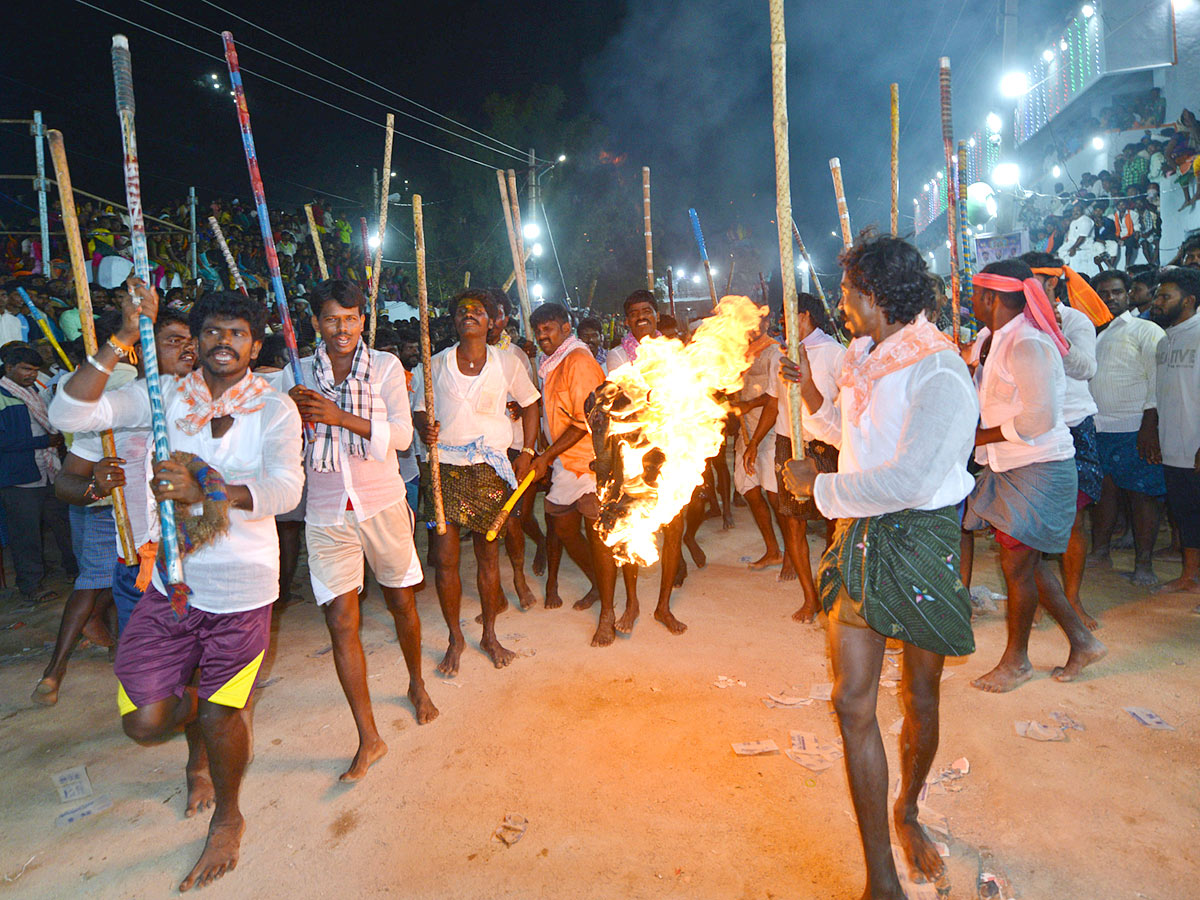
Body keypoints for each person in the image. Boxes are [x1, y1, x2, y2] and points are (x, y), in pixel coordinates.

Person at [49, 281, 303, 892]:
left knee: (222, 716)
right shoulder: (162, 397)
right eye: (210, 332)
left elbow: (285, 490)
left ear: (254, 344)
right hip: (171, 585)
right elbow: (69, 413)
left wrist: (211, 491)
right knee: (142, 720)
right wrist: (120, 335)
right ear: (196, 340)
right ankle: (211, 706)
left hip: (242, 590)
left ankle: (229, 814)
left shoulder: (274, 405)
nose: (222, 342)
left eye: (236, 334)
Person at [778, 232, 978, 899]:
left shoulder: (940, 368)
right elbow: (845, 431)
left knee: (920, 696)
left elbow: (912, 482)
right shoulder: (865, 356)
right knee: (849, 702)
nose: (840, 305)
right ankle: (881, 878)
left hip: (918, 537)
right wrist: (804, 389)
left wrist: (818, 489)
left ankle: (909, 809)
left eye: (845, 293)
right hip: (857, 537)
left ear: (873, 295)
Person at [285, 279, 435, 784]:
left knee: (401, 603)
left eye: (350, 318)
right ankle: (368, 736)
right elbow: (275, 430)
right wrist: (286, 409)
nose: (342, 328)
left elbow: (403, 435)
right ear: (316, 324)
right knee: (341, 623)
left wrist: (340, 417)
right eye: (331, 319)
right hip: (327, 511)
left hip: (382, 502)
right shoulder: (297, 371)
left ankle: (416, 682)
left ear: (362, 321)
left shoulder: (387, 367)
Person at [964, 259, 1106, 693]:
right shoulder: (992, 339)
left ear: (990, 297)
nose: (970, 299)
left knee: (1018, 566)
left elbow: (1040, 418)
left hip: (1040, 468)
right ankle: (1082, 642)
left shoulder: (1028, 343)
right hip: (1008, 467)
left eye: (974, 291)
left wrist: (978, 435)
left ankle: (1017, 662)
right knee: (1027, 564)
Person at [412, 289, 540, 677]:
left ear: (491, 321)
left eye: (478, 311)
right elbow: (419, 408)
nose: (469, 314)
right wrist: (425, 428)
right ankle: (455, 638)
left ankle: (489, 633)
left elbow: (531, 403)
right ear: (454, 320)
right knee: (446, 560)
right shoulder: (432, 365)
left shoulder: (506, 363)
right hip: (444, 469)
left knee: (488, 557)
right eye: (462, 310)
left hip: (489, 469)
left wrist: (528, 452)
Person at [525, 303, 616, 645]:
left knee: (599, 536)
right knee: (562, 526)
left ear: (566, 328)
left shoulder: (579, 362)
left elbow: (584, 421)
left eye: (548, 329)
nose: (542, 336)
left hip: (593, 461)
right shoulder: (551, 363)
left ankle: (607, 613)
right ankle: (597, 581)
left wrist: (545, 456)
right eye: (538, 330)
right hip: (565, 461)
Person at [1022, 251, 1104, 621]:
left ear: (1053, 282)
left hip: (1072, 423)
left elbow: (1087, 369)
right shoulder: (1015, 319)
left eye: (1031, 279)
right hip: (1029, 427)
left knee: (1072, 519)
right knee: (1030, 520)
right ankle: (1037, 596)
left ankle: (1071, 599)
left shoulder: (1076, 320)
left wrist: (1055, 333)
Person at [752, 293, 844, 621]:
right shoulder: (782, 356)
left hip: (825, 447)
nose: (781, 323)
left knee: (837, 524)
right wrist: (753, 443)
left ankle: (835, 589)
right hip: (786, 444)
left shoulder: (835, 354)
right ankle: (810, 597)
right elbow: (774, 403)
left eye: (787, 316)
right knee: (792, 523)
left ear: (804, 316)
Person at [1088, 269, 1166, 586]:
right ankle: (1101, 551)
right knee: (1104, 494)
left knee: (1142, 496)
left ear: (1129, 293)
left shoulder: (1145, 331)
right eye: (1103, 293)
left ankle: (1144, 566)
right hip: (1098, 427)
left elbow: (1158, 382)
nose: (1110, 298)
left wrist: (1150, 426)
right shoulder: (1093, 332)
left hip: (1135, 427)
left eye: (1116, 292)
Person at [0, 343, 75, 604]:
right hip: (20, 477)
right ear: (9, 368)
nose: (32, 374)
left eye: (34, 369)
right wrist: (43, 442)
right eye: (25, 369)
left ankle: (74, 571)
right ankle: (31, 585)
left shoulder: (34, 389)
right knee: (26, 535)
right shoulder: (3, 396)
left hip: (48, 469)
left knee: (63, 524)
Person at [487, 289, 547, 610]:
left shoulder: (517, 356)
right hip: (480, 453)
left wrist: (529, 448)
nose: (491, 322)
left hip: (513, 446)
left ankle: (520, 577)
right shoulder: (459, 356)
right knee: (490, 524)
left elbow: (532, 401)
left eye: (496, 314)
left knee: (515, 519)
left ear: (505, 318)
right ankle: (493, 589)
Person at [1147, 266, 1200, 596]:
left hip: (1196, 444)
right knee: (1185, 514)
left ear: (1189, 301)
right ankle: (1189, 577)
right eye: (1157, 295)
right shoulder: (1165, 342)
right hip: (1174, 444)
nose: (1157, 302)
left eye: (1166, 296)